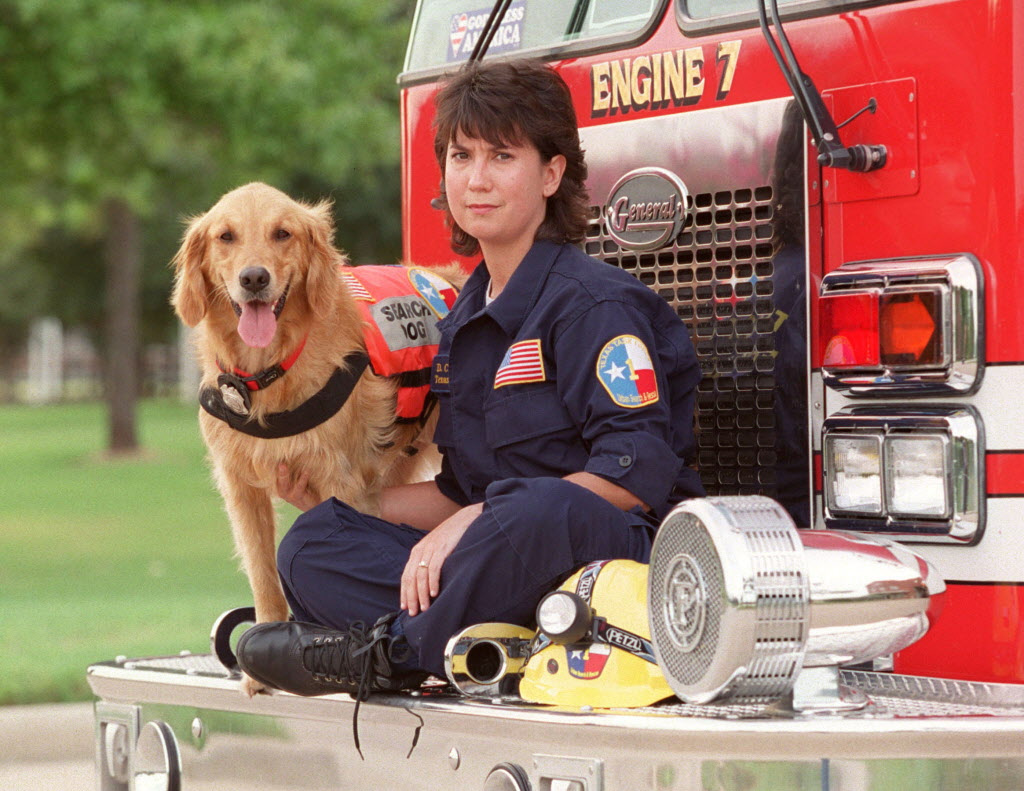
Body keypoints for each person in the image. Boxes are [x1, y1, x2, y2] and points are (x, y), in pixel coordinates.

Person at [236, 58, 705, 701]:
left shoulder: (596, 308)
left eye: (501, 157)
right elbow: (456, 491)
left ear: (551, 173)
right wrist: (336, 502)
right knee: (315, 541)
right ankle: (479, 646)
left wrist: (482, 515)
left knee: (540, 506)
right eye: (461, 157)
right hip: (495, 563)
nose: (476, 180)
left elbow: (634, 477)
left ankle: (387, 654)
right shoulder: (464, 317)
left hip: (606, 564)